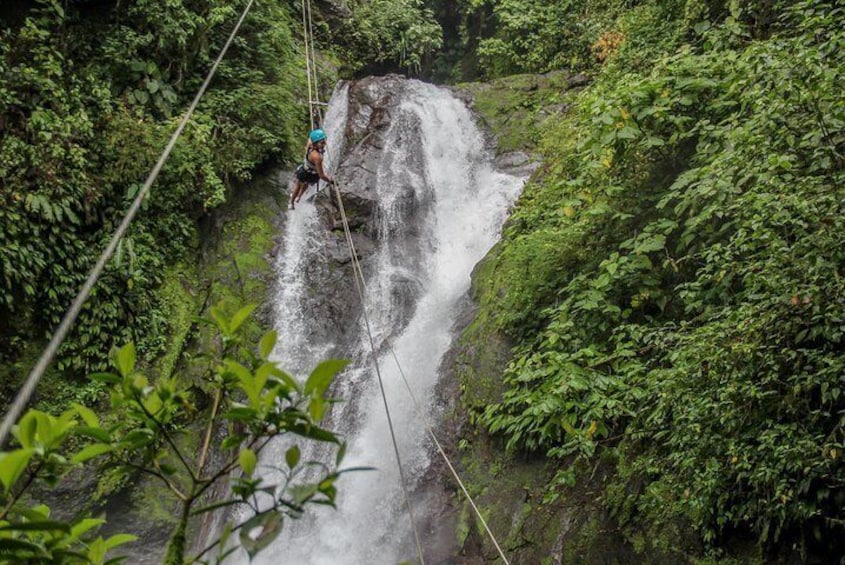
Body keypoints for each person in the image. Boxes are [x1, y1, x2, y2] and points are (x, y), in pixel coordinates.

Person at [290, 128, 335, 210]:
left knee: (303, 185)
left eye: (324, 141)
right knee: (300, 186)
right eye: (322, 142)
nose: (324, 144)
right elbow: (321, 175)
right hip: (310, 174)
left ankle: (297, 198)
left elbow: (311, 137)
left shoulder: (310, 145)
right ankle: (292, 201)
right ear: (315, 143)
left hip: (304, 170)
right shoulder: (317, 157)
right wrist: (331, 181)